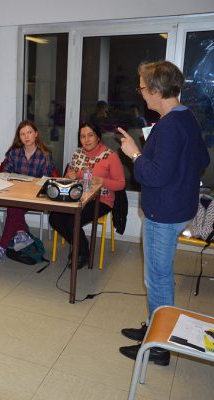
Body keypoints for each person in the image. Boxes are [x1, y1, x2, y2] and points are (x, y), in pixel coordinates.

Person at [117, 60, 209, 365]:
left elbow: (153, 175)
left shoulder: (170, 125)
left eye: (143, 88)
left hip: (164, 213)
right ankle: (155, 327)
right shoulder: (186, 116)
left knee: (157, 279)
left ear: (157, 89)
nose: (141, 94)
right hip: (179, 206)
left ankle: (158, 346)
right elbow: (202, 159)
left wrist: (135, 153)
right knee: (160, 276)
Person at [48, 123, 125, 269]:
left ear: (97, 137)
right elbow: (67, 178)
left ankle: (82, 253)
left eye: (90, 135)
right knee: (54, 218)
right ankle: (81, 247)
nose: (86, 139)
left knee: (72, 220)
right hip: (77, 197)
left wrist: (102, 181)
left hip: (101, 200)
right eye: (82, 136)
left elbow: (120, 184)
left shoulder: (110, 156)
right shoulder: (78, 154)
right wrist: (70, 176)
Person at [0, 120, 56, 262]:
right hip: (15, 193)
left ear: (36, 134)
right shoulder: (14, 153)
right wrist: (10, 179)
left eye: (29, 132)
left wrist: (31, 184)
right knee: (14, 206)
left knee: (13, 208)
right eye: (22, 134)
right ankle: (21, 233)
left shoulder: (45, 155)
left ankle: (2, 245)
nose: (26, 136)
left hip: (34, 195)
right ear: (19, 137)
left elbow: (45, 180)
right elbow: (5, 173)